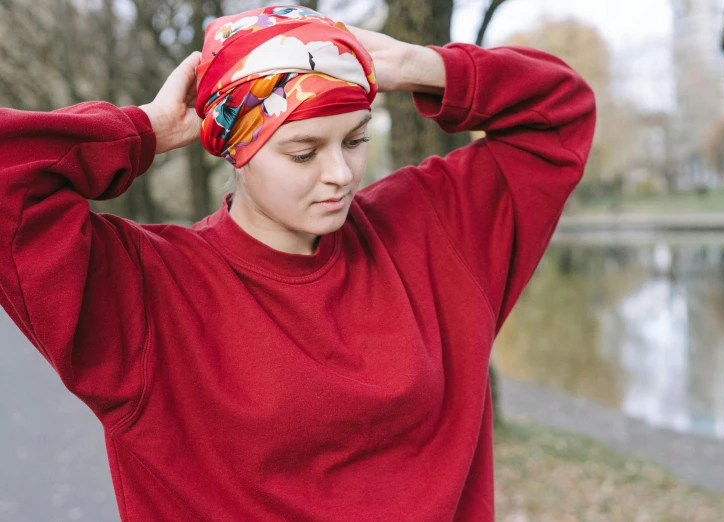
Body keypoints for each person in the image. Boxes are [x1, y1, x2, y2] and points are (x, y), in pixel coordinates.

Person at [0, 5, 596, 521]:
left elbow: (559, 114)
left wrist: (421, 66)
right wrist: (144, 131)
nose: (339, 174)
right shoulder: (148, 294)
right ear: (236, 149)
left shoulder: (431, 232)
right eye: (304, 150)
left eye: (355, 140)